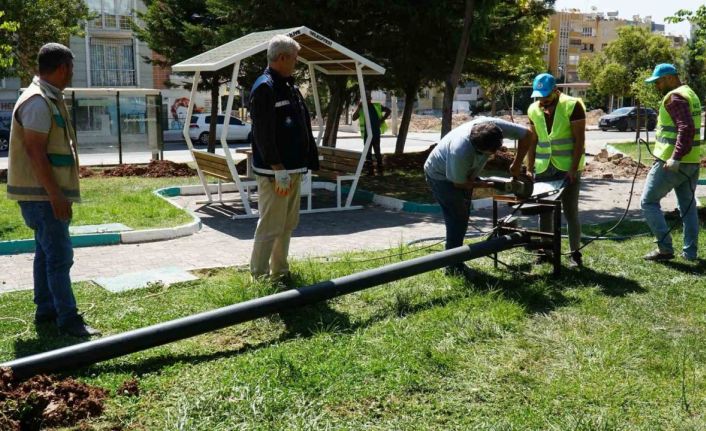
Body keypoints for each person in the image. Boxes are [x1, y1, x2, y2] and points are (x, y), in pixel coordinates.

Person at [7, 43, 99, 337]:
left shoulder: (47, 97)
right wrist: (56, 195)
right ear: (62, 68)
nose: (72, 73)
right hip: (43, 197)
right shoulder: (38, 101)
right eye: (71, 68)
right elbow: (35, 152)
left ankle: (46, 309)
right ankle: (68, 319)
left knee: (45, 253)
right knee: (59, 256)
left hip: (42, 195)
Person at [424, 117, 533, 280]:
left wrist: (517, 164)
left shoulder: (493, 127)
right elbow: (460, 184)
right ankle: (453, 266)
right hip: (440, 176)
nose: (493, 155)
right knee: (457, 217)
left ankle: (455, 258)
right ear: (477, 148)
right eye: (488, 153)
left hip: (463, 172)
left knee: (462, 216)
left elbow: (528, 135)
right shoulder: (460, 150)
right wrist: (491, 184)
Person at [249, 35, 319, 283]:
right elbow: (262, 133)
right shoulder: (265, 87)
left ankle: (280, 272)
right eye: (294, 59)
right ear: (281, 58)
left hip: (293, 169)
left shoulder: (288, 86)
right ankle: (258, 277)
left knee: (287, 224)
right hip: (275, 173)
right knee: (270, 225)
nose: (296, 64)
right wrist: (278, 167)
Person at [640, 64, 701, 261]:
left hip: (673, 163)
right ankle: (690, 253)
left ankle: (665, 249)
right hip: (691, 162)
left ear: (669, 78)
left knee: (648, 202)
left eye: (658, 82)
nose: (657, 86)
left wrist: (675, 157)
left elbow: (686, 128)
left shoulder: (675, 97)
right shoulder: (690, 93)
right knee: (688, 208)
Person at [525, 73, 586, 268]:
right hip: (544, 168)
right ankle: (545, 250)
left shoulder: (572, 105)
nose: (542, 99)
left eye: (546, 95)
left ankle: (575, 253)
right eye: (539, 96)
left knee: (570, 211)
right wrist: (529, 168)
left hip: (567, 168)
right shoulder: (533, 109)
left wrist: (573, 169)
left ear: (555, 90)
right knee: (545, 211)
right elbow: (532, 141)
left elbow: (579, 141)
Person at [352, 91, 391, 176]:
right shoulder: (361, 108)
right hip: (366, 134)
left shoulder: (376, 106)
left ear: (370, 99)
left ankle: (380, 171)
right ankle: (370, 171)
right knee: (368, 153)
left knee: (377, 151)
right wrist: (358, 108)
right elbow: (354, 118)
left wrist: (382, 120)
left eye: (368, 98)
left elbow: (388, 110)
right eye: (365, 99)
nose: (367, 100)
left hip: (375, 133)